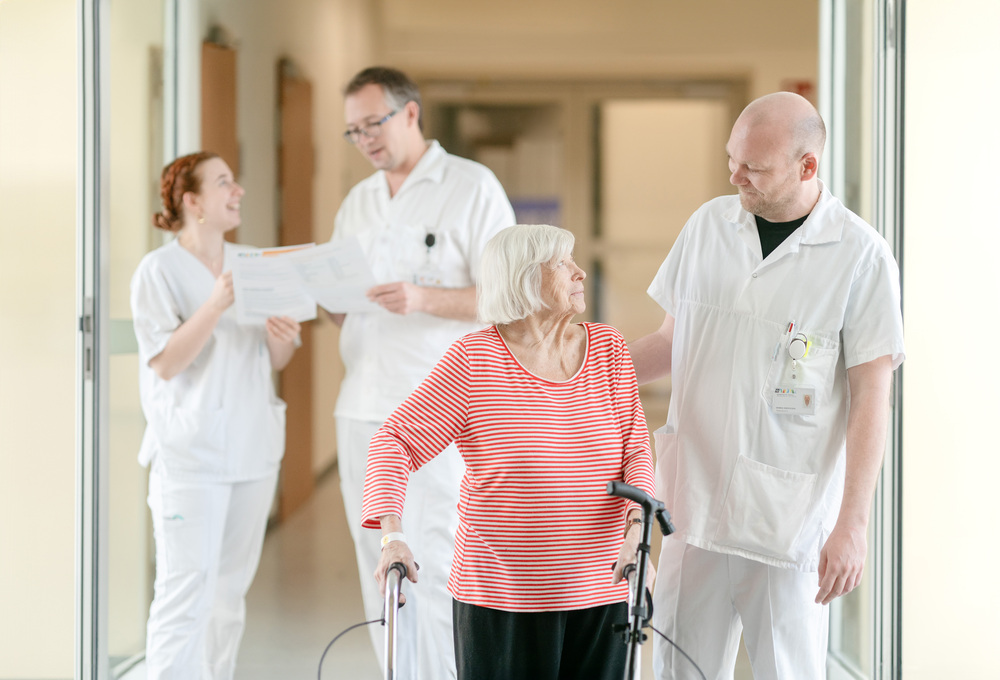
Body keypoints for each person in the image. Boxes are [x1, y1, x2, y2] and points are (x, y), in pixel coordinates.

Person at [629, 92, 906, 680]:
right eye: (732, 159)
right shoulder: (708, 225)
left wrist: (852, 525)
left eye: (753, 167)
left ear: (807, 166)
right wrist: (571, 373)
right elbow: (670, 342)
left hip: (789, 522)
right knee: (680, 673)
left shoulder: (860, 255)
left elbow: (871, 397)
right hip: (693, 509)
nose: (735, 175)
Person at [361, 224, 656, 680]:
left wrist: (638, 531)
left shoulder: (608, 349)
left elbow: (636, 449)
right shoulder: (474, 360)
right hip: (500, 598)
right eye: (562, 263)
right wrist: (392, 536)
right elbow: (394, 440)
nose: (580, 272)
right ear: (524, 278)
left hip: (602, 587)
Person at [328, 66, 515, 678]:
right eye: (353, 131)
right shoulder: (359, 200)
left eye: (373, 124)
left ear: (410, 113)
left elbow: (509, 299)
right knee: (375, 565)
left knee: (432, 559)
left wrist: (425, 298)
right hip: (361, 404)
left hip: (438, 415)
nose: (365, 141)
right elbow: (351, 309)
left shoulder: (470, 186)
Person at [131, 151, 301, 679]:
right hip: (190, 455)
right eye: (224, 182)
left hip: (252, 450)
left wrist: (284, 342)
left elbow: (270, 360)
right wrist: (215, 304)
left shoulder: (254, 262)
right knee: (185, 592)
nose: (239, 191)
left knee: (228, 595)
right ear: (192, 201)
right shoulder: (157, 271)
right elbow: (165, 363)